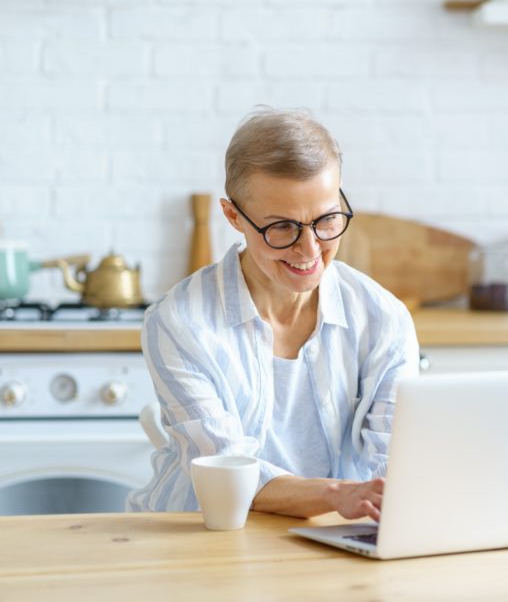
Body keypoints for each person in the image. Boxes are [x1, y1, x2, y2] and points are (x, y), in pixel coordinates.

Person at [126, 108, 419, 522]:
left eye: (327, 219)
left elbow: (393, 463)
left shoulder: (383, 318)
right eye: (281, 227)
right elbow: (228, 475)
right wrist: (339, 495)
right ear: (233, 216)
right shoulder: (179, 322)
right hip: (199, 536)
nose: (310, 250)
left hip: (333, 536)